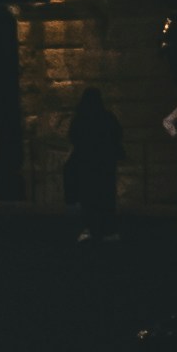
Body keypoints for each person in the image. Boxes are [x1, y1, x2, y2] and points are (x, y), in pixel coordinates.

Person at [62, 84, 123, 241]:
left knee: (88, 197)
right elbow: (117, 136)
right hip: (105, 163)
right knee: (106, 196)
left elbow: (73, 138)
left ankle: (90, 228)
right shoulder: (108, 117)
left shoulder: (80, 118)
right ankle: (108, 230)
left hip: (85, 163)